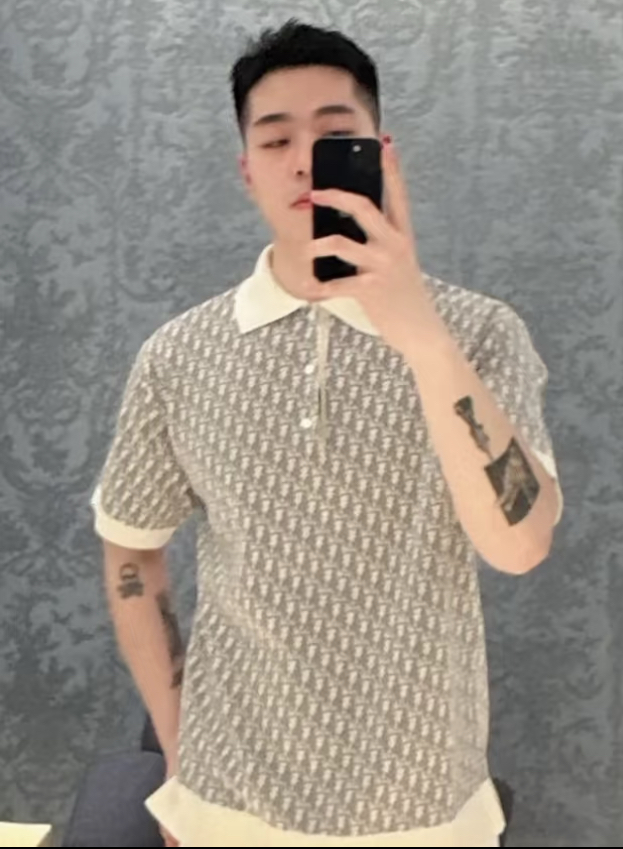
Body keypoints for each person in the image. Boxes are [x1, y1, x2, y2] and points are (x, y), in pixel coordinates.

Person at [92, 19, 563, 848]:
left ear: (379, 153)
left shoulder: (478, 332)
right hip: (226, 799)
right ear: (246, 170)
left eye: (334, 134)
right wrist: (177, 741)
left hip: (425, 804)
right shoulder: (180, 354)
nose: (305, 160)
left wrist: (419, 335)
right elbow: (131, 547)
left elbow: (519, 545)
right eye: (276, 140)